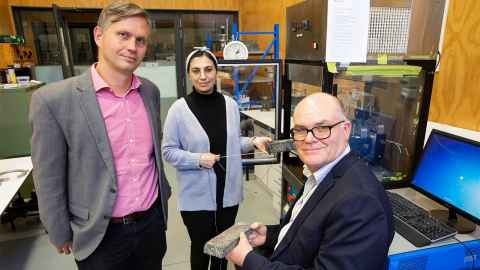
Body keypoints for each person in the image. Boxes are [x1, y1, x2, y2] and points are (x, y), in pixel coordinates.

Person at [29, 2, 171, 269]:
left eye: (140, 40)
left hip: (151, 225)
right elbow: (48, 176)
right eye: (123, 35)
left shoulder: (150, 92)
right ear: (98, 35)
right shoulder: (53, 100)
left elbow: (152, 156)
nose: (132, 46)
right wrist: (58, 230)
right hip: (100, 235)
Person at [226, 92, 394, 270]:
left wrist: (248, 259)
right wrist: (270, 235)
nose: (308, 138)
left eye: (322, 128)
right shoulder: (324, 172)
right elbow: (308, 233)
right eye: (300, 129)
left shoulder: (360, 202)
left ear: (345, 130)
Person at [161, 47, 271, 270]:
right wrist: (198, 158)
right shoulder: (178, 110)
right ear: (189, 74)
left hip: (228, 193)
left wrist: (252, 142)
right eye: (196, 71)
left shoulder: (230, 105)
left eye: (208, 69)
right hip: (196, 198)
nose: (203, 76)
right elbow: (168, 150)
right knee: (202, 248)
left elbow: (231, 143)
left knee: (224, 248)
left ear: (216, 72)